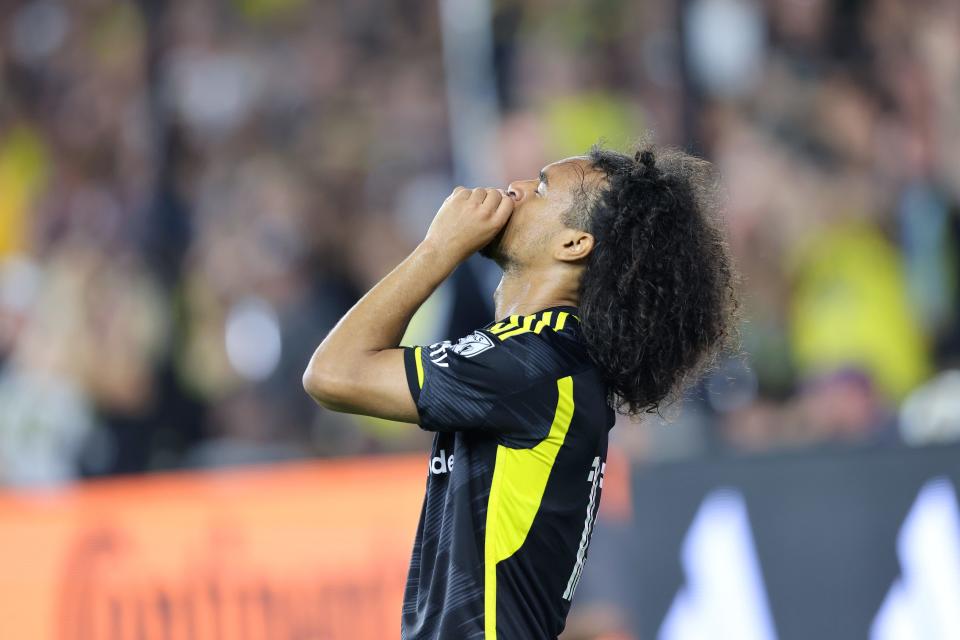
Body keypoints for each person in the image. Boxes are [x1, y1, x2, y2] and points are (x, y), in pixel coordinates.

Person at [302, 143, 739, 639]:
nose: (517, 189)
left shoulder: (533, 362)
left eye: (543, 185)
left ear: (574, 243)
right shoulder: (551, 358)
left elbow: (333, 374)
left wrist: (439, 248)